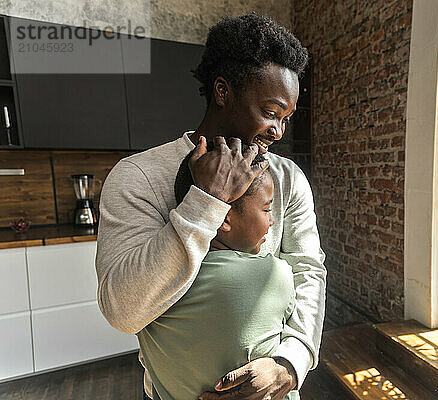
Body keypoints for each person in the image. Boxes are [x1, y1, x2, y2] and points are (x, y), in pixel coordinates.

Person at [95, 13, 326, 400]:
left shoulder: (287, 178)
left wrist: (290, 363)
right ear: (223, 92)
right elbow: (123, 311)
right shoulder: (137, 177)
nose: (279, 131)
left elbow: (309, 271)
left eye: (286, 118)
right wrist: (206, 202)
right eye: (270, 113)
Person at [138, 154, 299, 400]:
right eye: (266, 208)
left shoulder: (148, 286)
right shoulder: (277, 275)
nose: (272, 220)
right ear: (224, 217)